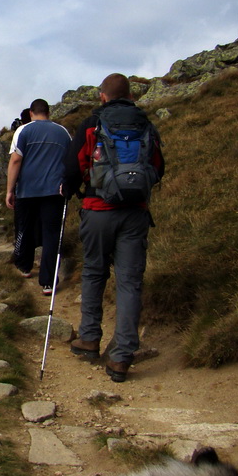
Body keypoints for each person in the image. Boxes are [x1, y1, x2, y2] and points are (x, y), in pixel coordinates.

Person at [64, 73, 165, 383]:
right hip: (135, 213)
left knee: (95, 271)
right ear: (130, 95)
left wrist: (72, 190)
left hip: (97, 210)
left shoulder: (93, 122)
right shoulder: (145, 124)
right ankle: (122, 357)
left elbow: (74, 166)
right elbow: (158, 167)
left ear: (102, 96)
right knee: (130, 281)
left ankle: (90, 339)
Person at [6, 98, 72, 296]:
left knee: (24, 228)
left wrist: (10, 190)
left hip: (27, 190)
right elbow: (70, 161)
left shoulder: (23, 130)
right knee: (51, 234)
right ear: (48, 112)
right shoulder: (63, 132)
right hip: (54, 191)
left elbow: (16, 160)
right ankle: (48, 281)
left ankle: (25, 266)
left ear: (32, 112)